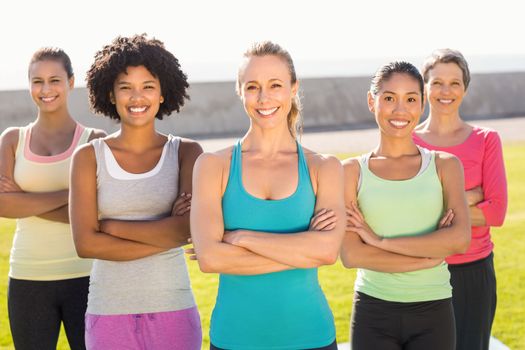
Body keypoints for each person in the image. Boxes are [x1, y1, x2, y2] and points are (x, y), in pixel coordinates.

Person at [189, 41, 345, 350]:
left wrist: (243, 238)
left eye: (275, 85)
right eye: (252, 87)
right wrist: (302, 249)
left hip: (310, 336)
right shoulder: (213, 166)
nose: (264, 98)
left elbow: (327, 252)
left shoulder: (323, 167)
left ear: (293, 88)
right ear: (239, 91)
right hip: (235, 338)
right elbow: (209, 258)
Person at [70, 34, 203, 350]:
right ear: (111, 95)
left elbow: (186, 229)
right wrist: (166, 233)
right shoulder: (88, 157)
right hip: (108, 312)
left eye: (148, 86)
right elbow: (86, 244)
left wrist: (113, 229)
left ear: (162, 93)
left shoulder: (187, 153)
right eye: (125, 87)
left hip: (174, 310)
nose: (137, 97)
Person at [341, 61, 471, 350]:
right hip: (373, 311)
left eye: (411, 99)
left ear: (422, 104)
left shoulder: (444, 166)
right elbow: (351, 254)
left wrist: (378, 241)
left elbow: (459, 239)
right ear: (371, 101)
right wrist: (427, 255)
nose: (400, 110)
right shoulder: (350, 172)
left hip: (433, 311)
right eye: (389, 98)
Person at [0, 47, 105, 350]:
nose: (45, 90)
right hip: (27, 277)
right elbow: (3, 205)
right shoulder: (12, 139)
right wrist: (73, 198)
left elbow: (97, 214)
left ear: (71, 82)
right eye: (37, 81)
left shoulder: (94, 140)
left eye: (54, 80)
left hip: (85, 277)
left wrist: (24, 200)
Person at [413, 48, 508, 350]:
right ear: (424, 87)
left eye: (455, 83)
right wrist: (469, 198)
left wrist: (434, 203)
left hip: (472, 272)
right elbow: (405, 211)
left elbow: (496, 213)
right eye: (437, 82)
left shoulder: (486, 140)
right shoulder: (407, 142)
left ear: (465, 89)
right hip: (420, 269)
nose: (446, 91)